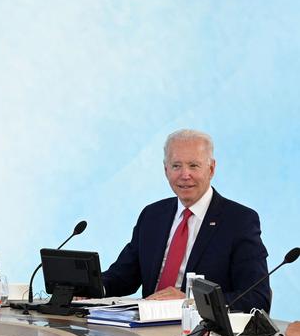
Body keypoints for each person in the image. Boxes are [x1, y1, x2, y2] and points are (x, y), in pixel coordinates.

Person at [101, 129, 271, 312]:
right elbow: (123, 277)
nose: (184, 175)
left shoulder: (239, 221)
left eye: (193, 165)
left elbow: (256, 297)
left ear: (211, 169)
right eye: (176, 166)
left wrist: (192, 301)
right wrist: (87, 288)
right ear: (166, 170)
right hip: (146, 325)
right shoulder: (152, 215)